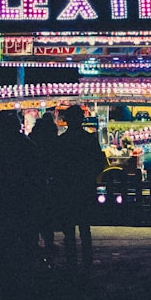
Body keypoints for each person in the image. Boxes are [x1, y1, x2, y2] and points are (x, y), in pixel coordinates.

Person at [54, 106, 108, 268]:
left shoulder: (61, 141)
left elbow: (56, 166)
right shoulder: (89, 139)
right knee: (85, 227)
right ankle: (87, 261)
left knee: (69, 229)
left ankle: (72, 261)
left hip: (67, 188)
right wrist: (89, 175)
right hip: (84, 187)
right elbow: (99, 162)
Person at [0, 111, 41, 263]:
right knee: (25, 230)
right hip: (24, 193)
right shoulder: (27, 144)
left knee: (6, 231)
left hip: (6, 193)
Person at [28, 111, 60, 256]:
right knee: (48, 213)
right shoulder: (54, 140)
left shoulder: (33, 138)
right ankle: (48, 242)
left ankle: (34, 241)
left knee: (35, 212)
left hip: (34, 180)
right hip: (49, 179)